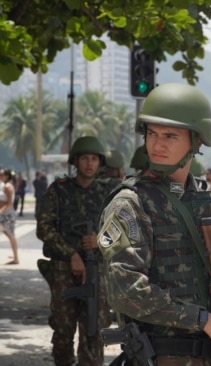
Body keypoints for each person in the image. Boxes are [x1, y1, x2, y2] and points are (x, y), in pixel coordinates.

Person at [97, 83, 211, 366]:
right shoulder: (131, 203)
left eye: (170, 135)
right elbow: (124, 288)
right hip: (161, 357)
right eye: (152, 133)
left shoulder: (205, 203)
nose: (157, 144)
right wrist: (202, 320)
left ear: (197, 141)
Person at [36, 136, 113, 365]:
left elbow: (125, 228)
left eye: (94, 159)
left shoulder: (110, 193)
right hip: (63, 271)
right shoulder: (58, 191)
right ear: (75, 161)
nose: (90, 163)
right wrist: (72, 255)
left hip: (96, 271)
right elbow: (44, 228)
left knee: (94, 332)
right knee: (62, 331)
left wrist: (101, 240)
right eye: (85, 158)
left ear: (100, 163)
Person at [0, 169, 19, 264]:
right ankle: (15, 257)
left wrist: (1, 211)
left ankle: (16, 258)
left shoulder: (8, 186)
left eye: (2, 174)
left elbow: (9, 203)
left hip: (6, 215)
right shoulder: (4, 186)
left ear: (7, 176)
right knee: (10, 235)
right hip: (3, 214)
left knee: (11, 235)